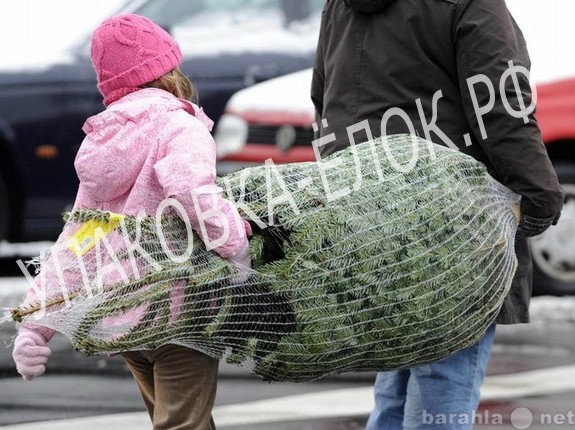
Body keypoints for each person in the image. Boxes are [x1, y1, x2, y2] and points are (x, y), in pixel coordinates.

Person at [311, 1, 564, 429]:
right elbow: (501, 108)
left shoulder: (340, 4)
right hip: (451, 219)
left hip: (363, 211)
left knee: (398, 375)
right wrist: (541, 196)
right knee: (443, 385)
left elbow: (324, 100)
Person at [12, 14, 251, 430]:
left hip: (127, 320)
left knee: (177, 420)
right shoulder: (179, 127)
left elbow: (79, 240)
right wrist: (235, 245)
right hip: (181, 310)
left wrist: (35, 325)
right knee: (183, 424)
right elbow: (194, 194)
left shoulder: (101, 146)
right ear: (168, 71)